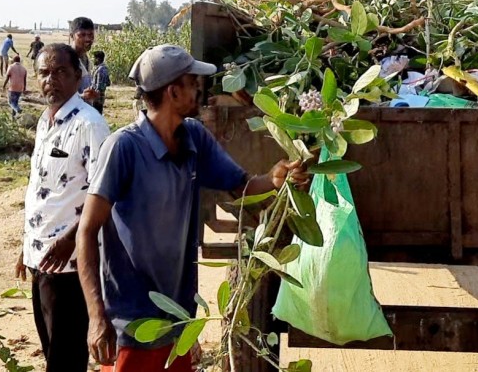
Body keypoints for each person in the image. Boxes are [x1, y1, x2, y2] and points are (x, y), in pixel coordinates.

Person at [76, 45, 310, 371]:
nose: (199, 88)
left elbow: (241, 186)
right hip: (131, 327)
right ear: (173, 92)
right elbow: (87, 231)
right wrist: (96, 316)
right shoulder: (123, 147)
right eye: (192, 82)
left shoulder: (194, 138)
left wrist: (276, 177)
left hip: (178, 324)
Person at [16, 43, 110, 372]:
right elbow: (40, 190)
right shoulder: (46, 122)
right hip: (41, 259)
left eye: (60, 72)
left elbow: (106, 193)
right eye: (44, 73)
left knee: (66, 358)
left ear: (77, 77)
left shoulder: (89, 125)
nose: (50, 80)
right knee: (52, 351)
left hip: (71, 265)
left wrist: (72, 237)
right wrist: (25, 246)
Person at [69, 17, 98, 105]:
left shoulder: (86, 59)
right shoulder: (65, 59)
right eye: (82, 35)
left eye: (90, 35)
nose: (88, 39)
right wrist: (82, 96)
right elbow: (57, 93)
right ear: (72, 36)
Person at [89, 51, 111, 116]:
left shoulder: (101, 69)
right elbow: (108, 82)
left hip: (97, 96)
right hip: (97, 96)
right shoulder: (99, 68)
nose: (93, 60)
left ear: (97, 59)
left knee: (96, 113)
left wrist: (96, 94)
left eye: (94, 58)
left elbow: (99, 85)